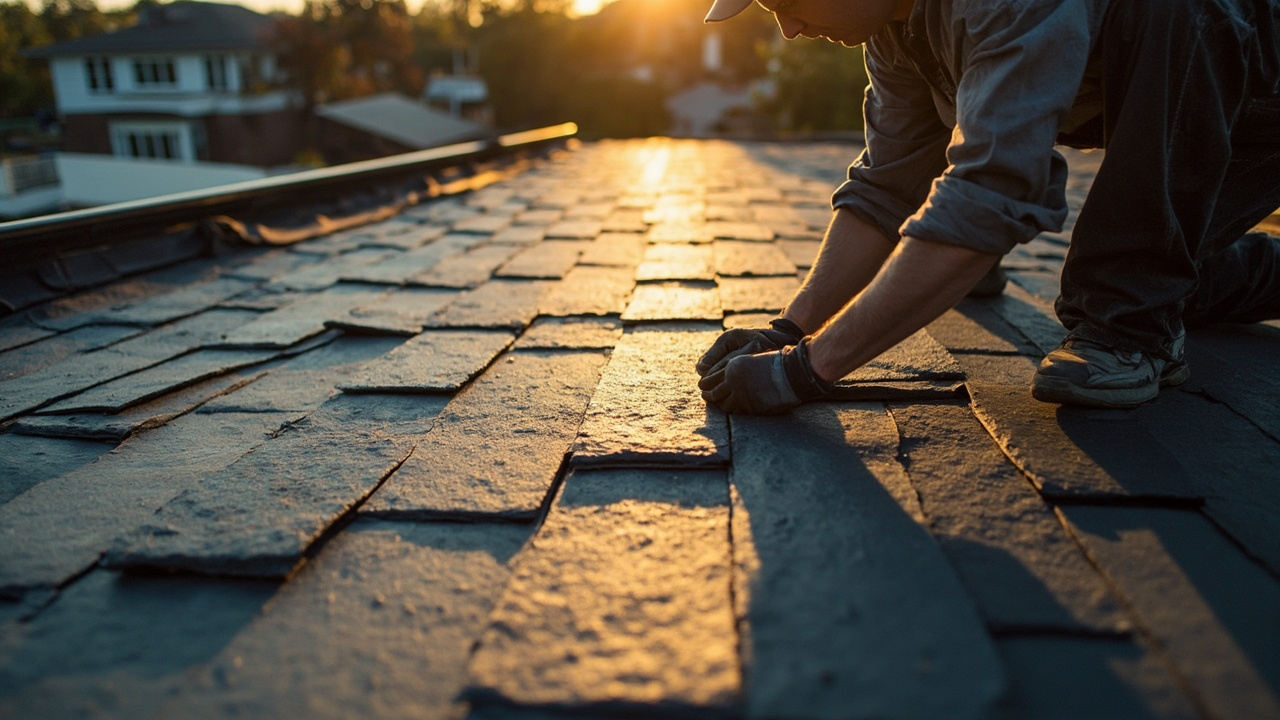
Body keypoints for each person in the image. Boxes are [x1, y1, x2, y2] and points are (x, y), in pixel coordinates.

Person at [696, 0, 1280, 413]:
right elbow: (887, 189)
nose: (790, 29)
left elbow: (990, 197)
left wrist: (807, 370)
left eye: (788, 1)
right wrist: (789, 330)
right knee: (1173, 282)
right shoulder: (896, 35)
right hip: (1202, 109)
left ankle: (1131, 333)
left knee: (1121, 287)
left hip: (1257, 103)